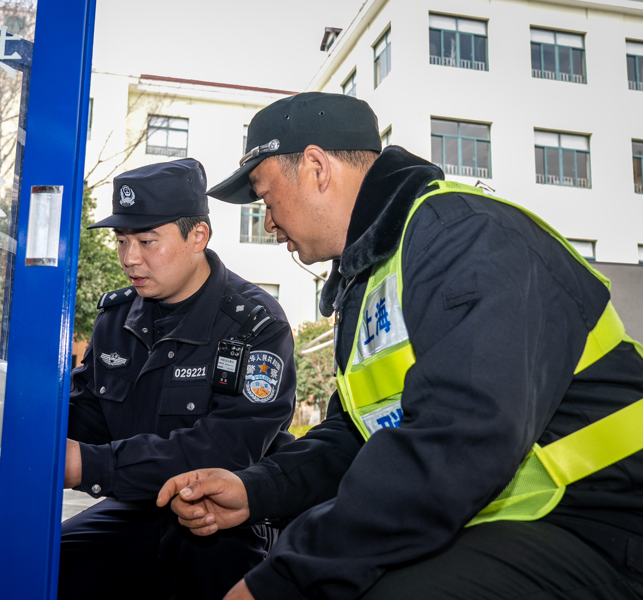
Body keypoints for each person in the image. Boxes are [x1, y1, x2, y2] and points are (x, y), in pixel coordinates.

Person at [157, 93, 643, 600]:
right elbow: (357, 436)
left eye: (265, 197)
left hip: (606, 524)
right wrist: (256, 489)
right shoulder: (376, 273)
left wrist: (283, 582)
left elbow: (457, 442)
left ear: (317, 168)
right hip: (515, 521)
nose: (268, 222)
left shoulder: (467, 238)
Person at [60, 158, 296, 600]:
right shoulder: (116, 318)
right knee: (52, 564)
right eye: (121, 240)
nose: (130, 258)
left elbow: (227, 448)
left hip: (223, 515)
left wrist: (89, 465)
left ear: (198, 236)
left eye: (147, 241)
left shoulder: (254, 325)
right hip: (137, 505)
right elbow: (89, 413)